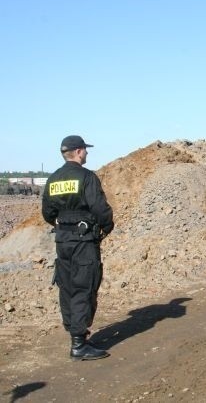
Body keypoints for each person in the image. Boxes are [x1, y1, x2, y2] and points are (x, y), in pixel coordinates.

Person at [42, 135, 114, 361]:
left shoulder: (53, 179)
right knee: (84, 286)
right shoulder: (86, 177)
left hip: (63, 242)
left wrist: (64, 224)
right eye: (85, 150)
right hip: (84, 242)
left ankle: (76, 335)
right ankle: (79, 345)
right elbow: (100, 208)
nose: (88, 154)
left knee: (68, 286)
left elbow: (47, 213)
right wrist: (107, 226)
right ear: (79, 151)